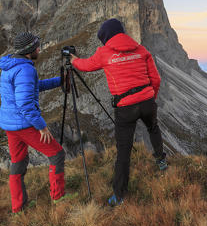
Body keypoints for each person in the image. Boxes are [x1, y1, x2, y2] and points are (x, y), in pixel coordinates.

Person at [70, 18, 167, 206]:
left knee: (124, 150)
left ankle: (119, 194)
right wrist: (150, 97)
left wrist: (73, 60)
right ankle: (161, 161)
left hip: (125, 106)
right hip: (147, 100)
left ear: (106, 37)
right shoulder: (141, 49)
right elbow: (156, 79)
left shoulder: (104, 53)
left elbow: (86, 66)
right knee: (153, 128)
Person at [0, 31, 72, 213]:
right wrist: (42, 126)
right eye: (37, 46)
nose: (39, 49)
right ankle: (58, 197)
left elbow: (31, 87)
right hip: (24, 124)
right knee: (56, 154)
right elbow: (25, 104)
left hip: (10, 125)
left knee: (18, 162)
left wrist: (59, 81)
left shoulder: (10, 65)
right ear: (29, 50)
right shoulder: (25, 69)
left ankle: (19, 207)